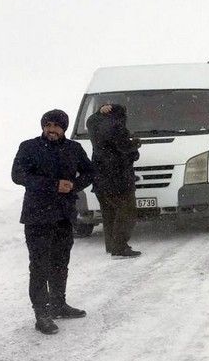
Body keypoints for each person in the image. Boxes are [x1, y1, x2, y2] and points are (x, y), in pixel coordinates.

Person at [11, 109, 95, 335]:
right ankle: (42, 313)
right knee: (39, 266)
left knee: (60, 263)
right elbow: (18, 175)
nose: (52, 130)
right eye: (48, 125)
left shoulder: (73, 149)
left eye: (57, 126)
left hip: (63, 215)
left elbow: (89, 172)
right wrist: (53, 184)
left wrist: (74, 186)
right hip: (37, 217)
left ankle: (59, 305)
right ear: (43, 126)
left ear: (64, 129)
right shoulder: (29, 147)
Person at [87, 103, 141, 257]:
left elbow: (91, 119)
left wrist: (99, 111)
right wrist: (135, 145)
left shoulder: (93, 124)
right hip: (119, 179)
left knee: (109, 214)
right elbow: (124, 148)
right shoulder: (117, 127)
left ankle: (111, 245)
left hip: (100, 179)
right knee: (127, 213)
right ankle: (120, 247)